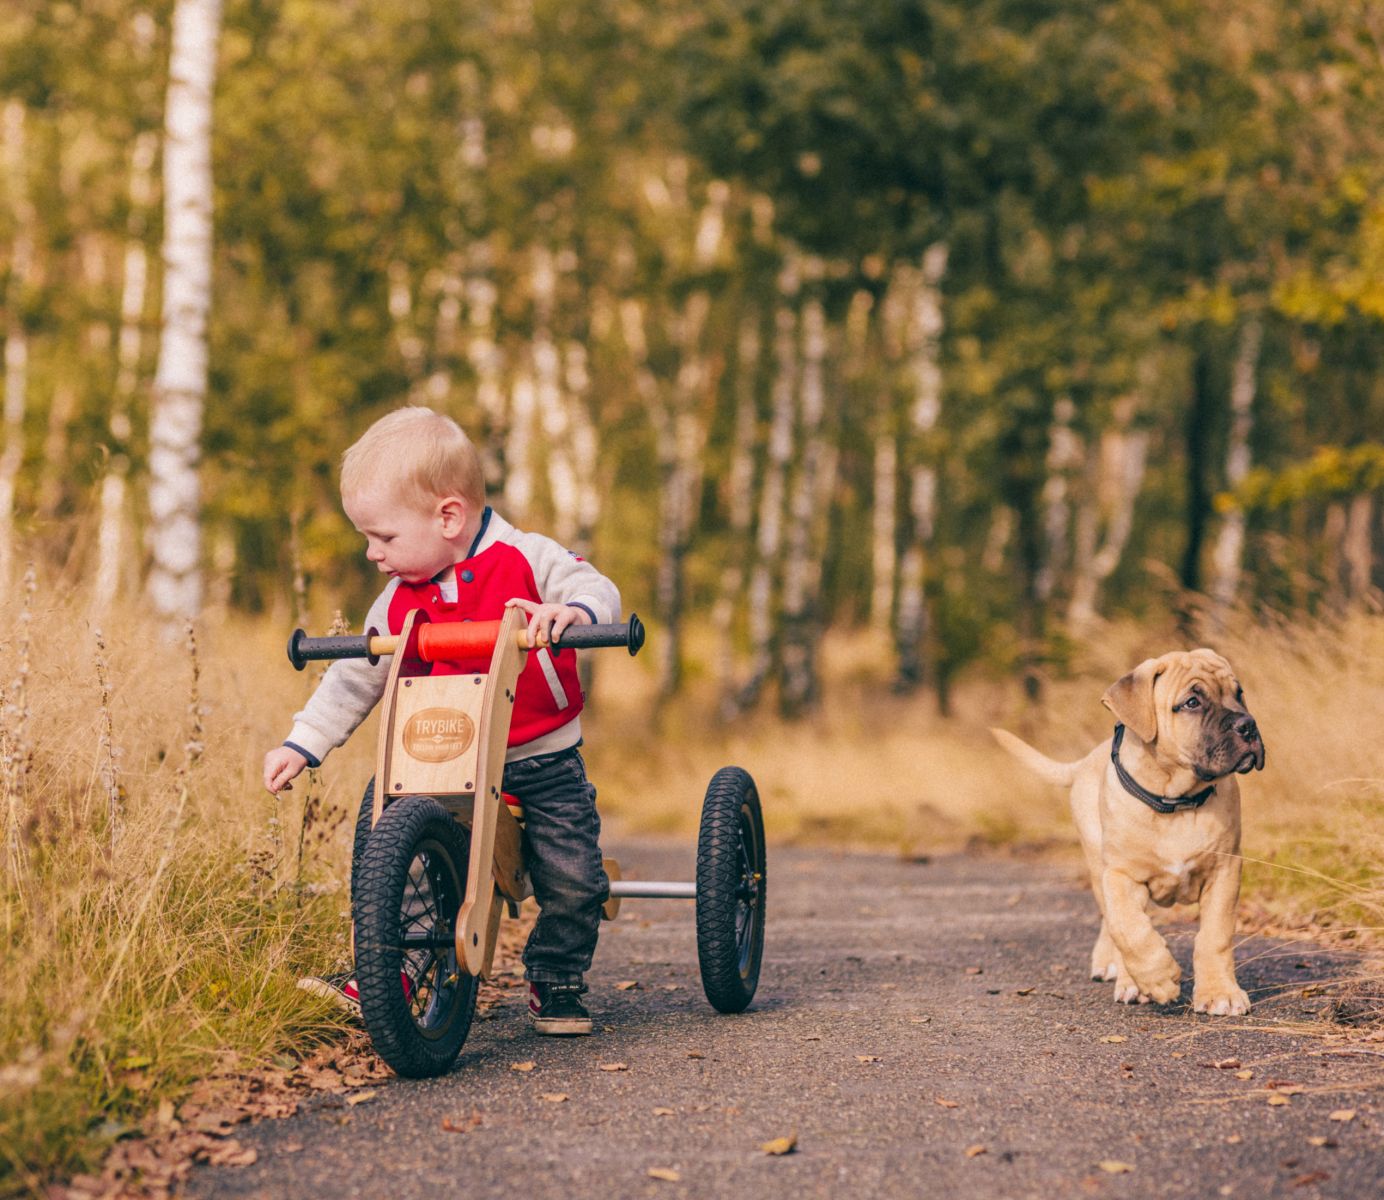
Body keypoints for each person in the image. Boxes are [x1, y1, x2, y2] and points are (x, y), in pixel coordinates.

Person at [263, 406, 620, 1036]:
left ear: (448, 516)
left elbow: (594, 587)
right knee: (394, 845)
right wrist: (304, 742)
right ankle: (389, 969)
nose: (373, 554)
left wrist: (574, 614)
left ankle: (557, 972)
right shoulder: (400, 595)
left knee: (573, 877)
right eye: (367, 540)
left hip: (537, 754)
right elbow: (355, 673)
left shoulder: (526, 558)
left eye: (385, 538)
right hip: (442, 753)